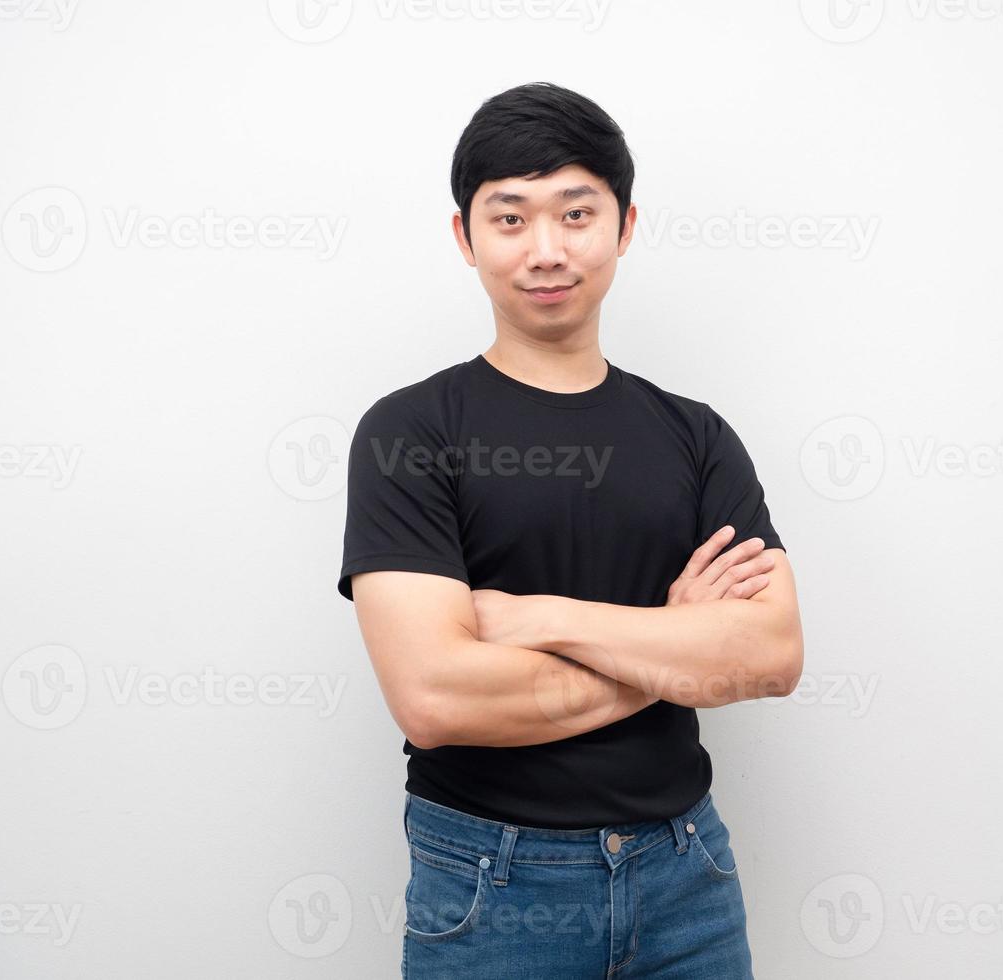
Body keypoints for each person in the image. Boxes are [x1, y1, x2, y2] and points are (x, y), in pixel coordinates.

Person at [337, 81, 803, 978]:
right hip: (490, 880)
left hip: (687, 876)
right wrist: (674, 650)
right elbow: (436, 700)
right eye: (509, 218)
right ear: (464, 238)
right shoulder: (408, 433)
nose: (545, 250)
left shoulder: (696, 435)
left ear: (624, 227)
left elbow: (770, 657)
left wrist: (542, 615)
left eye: (575, 214)